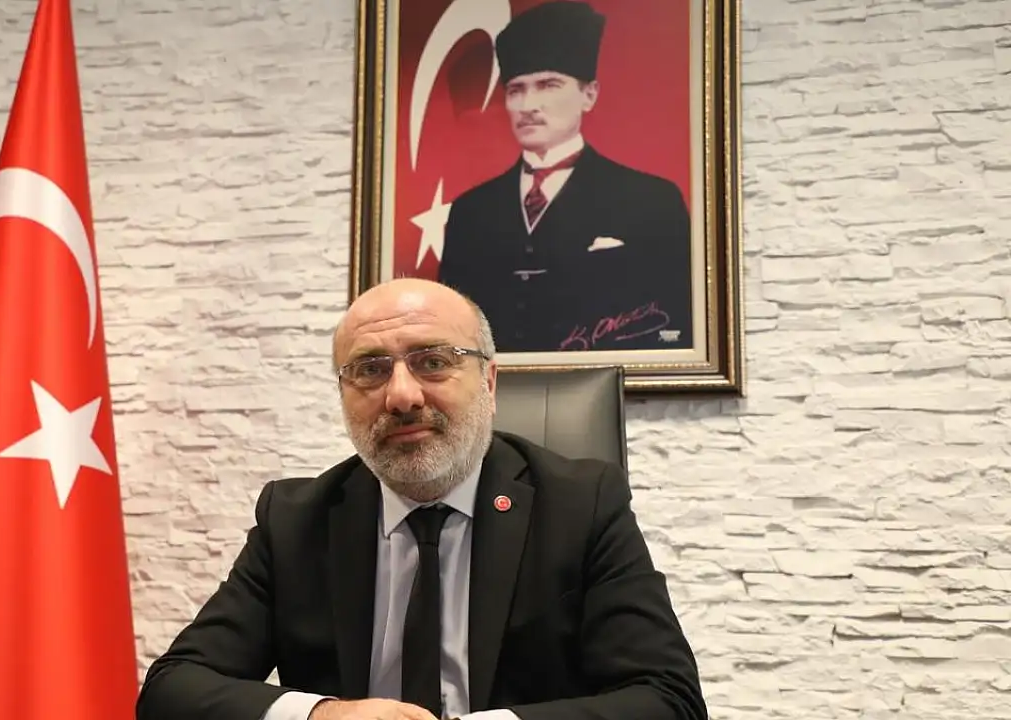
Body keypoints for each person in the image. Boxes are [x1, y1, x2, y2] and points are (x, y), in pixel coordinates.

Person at [137, 278, 707, 720]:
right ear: (343, 394)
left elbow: (667, 699)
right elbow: (172, 688)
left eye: (433, 362)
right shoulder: (295, 520)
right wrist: (322, 714)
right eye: (370, 370)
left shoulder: (581, 505)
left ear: (489, 383)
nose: (402, 396)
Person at [436, 0, 693, 355]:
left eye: (548, 85)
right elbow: (451, 334)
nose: (528, 105)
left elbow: (677, 323)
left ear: (589, 95)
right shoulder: (470, 211)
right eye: (516, 89)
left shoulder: (652, 199)